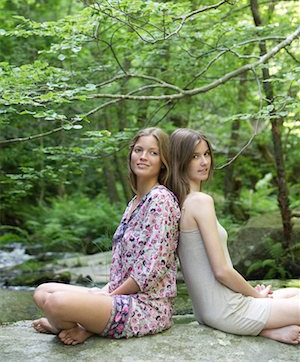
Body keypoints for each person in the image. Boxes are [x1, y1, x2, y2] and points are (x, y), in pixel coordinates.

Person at [32, 127, 181, 345]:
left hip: (145, 308)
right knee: (42, 292)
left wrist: (109, 297)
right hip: (119, 295)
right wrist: (105, 292)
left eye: (153, 152)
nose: (143, 157)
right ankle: (80, 324)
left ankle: (79, 326)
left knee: (55, 303)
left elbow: (150, 270)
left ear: (163, 161)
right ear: (130, 154)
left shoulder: (161, 200)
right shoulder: (134, 203)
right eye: (138, 150)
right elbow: (122, 266)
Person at [168, 128, 300, 345]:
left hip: (207, 312)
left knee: (291, 294)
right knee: (275, 297)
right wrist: (253, 296)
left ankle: (266, 331)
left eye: (206, 154)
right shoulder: (200, 202)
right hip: (229, 310)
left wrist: (251, 296)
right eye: (194, 156)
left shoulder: (178, 202)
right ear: (179, 160)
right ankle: (262, 325)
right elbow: (222, 272)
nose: (204, 162)